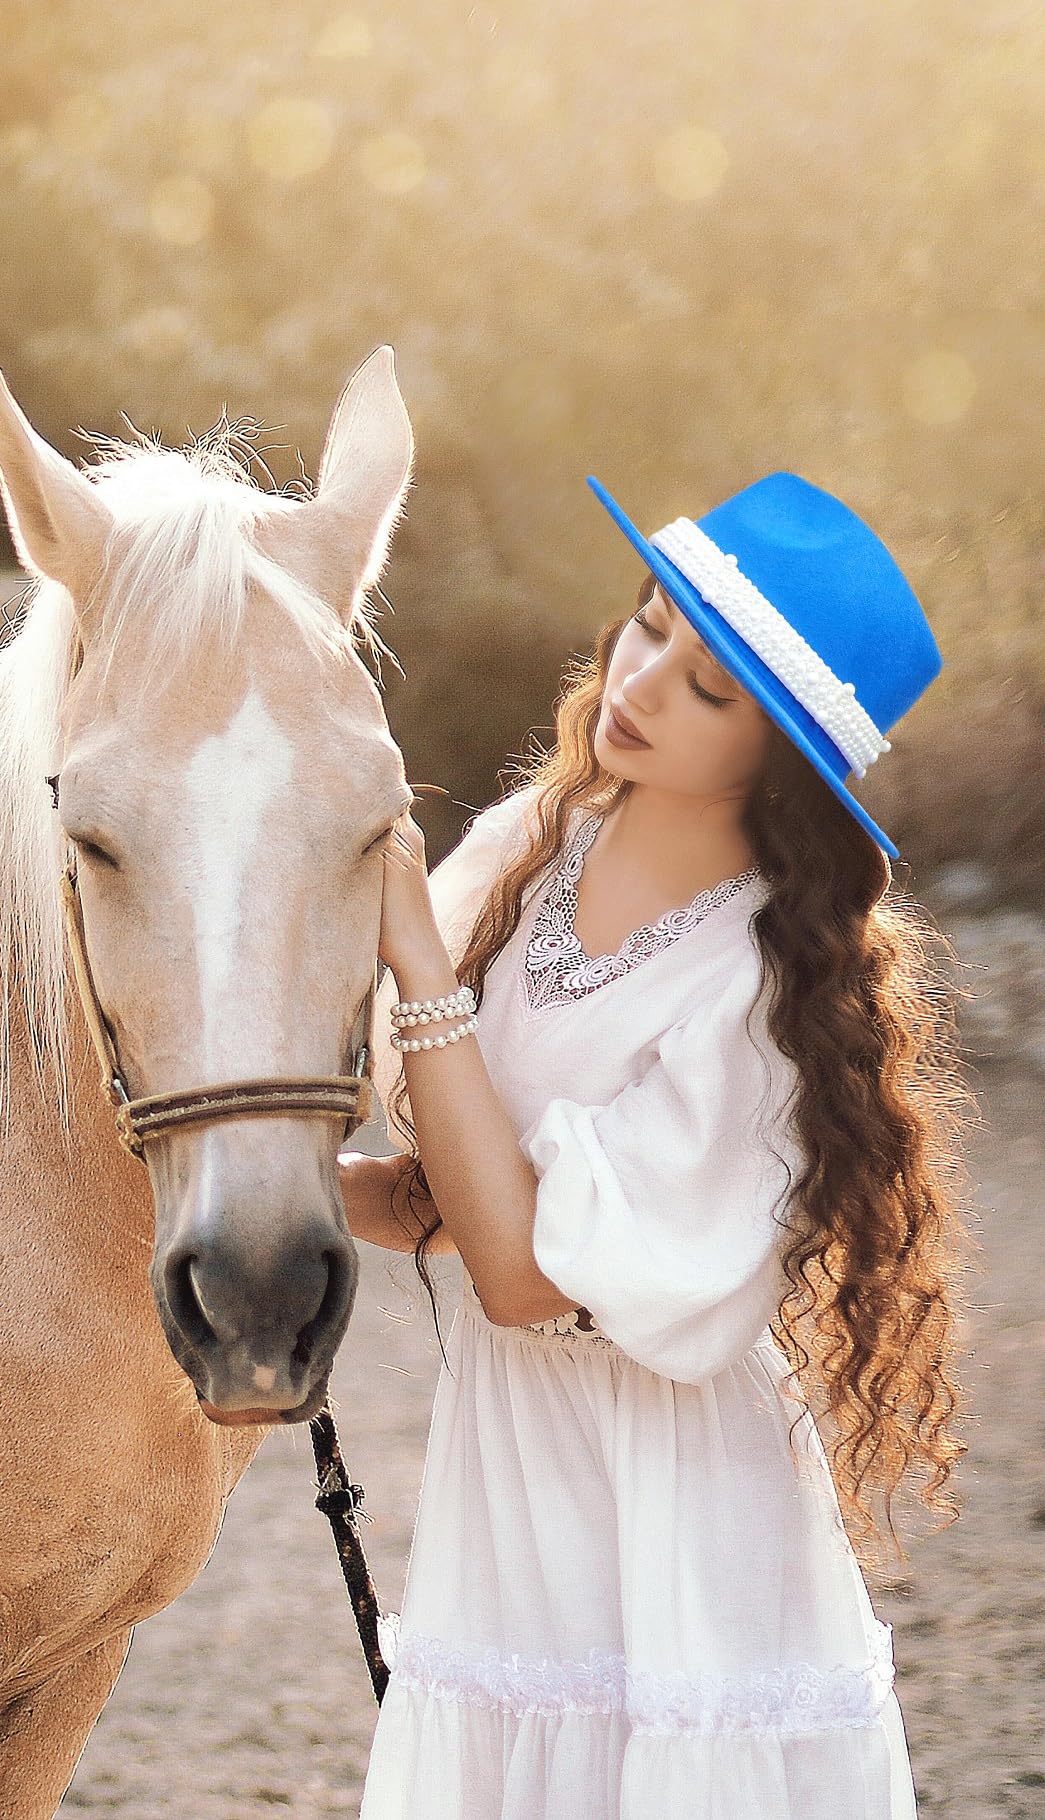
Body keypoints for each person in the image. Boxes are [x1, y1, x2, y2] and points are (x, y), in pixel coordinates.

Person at [338, 470, 976, 1820]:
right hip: (510, 1464)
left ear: (779, 752)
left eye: (708, 686)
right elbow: (448, 1181)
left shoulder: (758, 988)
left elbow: (521, 1277)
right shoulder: (534, 839)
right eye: (648, 625)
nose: (637, 680)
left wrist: (413, 956)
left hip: (671, 1494)